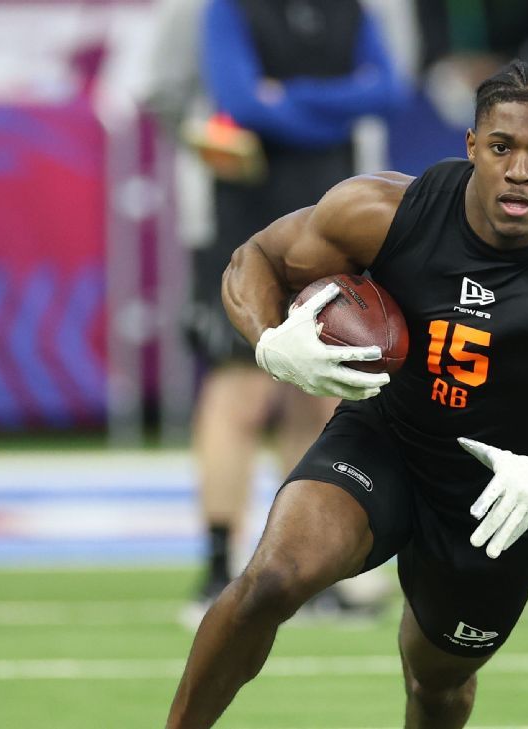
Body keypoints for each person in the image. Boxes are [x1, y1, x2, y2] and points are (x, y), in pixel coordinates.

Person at [164, 60, 528, 728]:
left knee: (436, 683)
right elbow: (256, 258)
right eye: (501, 147)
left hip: (499, 493)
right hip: (386, 440)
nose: (518, 170)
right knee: (271, 580)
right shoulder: (386, 211)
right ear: (472, 145)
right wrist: (271, 339)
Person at [145, 0, 406, 625]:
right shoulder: (225, 9)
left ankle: (308, 567)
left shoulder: (354, 11)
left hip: (333, 219)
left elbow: (389, 90)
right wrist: (334, 106)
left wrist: (287, 100)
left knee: (319, 395)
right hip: (244, 222)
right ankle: (217, 569)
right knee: (241, 390)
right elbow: (239, 99)